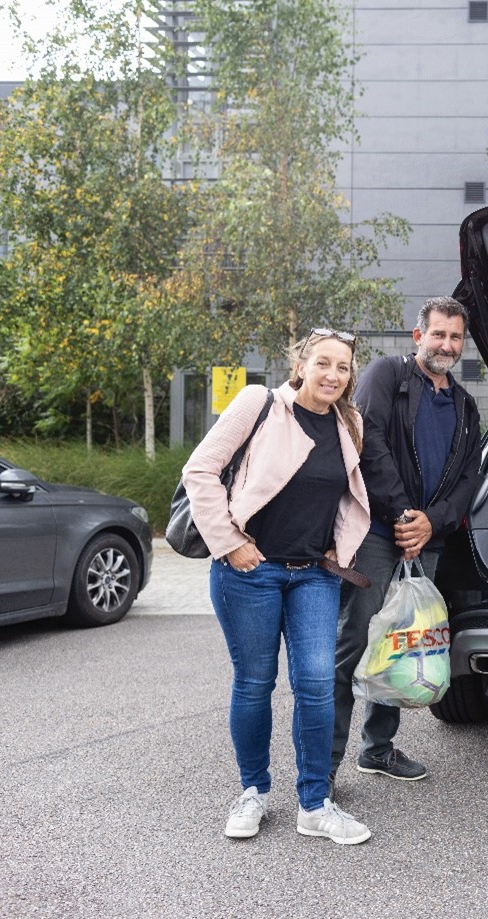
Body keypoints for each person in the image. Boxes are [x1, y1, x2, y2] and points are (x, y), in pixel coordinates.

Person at [182, 328, 375, 844]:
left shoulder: (350, 422)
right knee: (255, 682)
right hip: (250, 571)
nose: (332, 375)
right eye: (323, 363)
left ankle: (314, 804)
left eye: (343, 367)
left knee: (316, 683)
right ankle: (253, 791)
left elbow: (347, 494)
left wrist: (339, 548)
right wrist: (228, 542)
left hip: (314, 574)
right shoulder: (260, 403)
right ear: (301, 365)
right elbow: (200, 470)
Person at [330, 296, 482, 786]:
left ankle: (378, 749)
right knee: (355, 642)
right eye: (438, 334)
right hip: (377, 534)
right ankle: (322, 769)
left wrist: (431, 523)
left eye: (455, 337)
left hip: (426, 542)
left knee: (400, 644)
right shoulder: (386, 376)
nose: (447, 345)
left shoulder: (465, 404)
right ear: (419, 336)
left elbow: (469, 479)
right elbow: (368, 444)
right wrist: (402, 516)